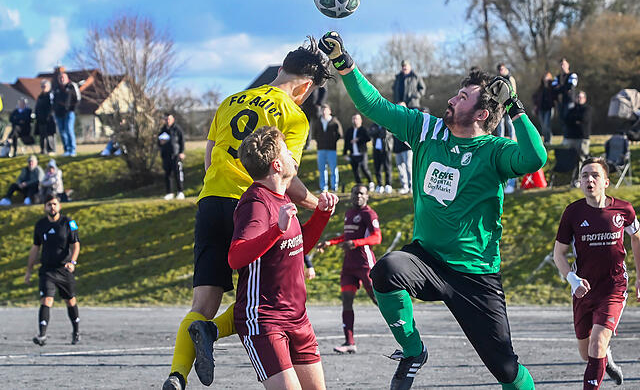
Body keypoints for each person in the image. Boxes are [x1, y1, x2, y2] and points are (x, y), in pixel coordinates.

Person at [318, 31, 547, 390]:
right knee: (387, 270)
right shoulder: (427, 130)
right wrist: (344, 63)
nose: (453, 99)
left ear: (482, 113)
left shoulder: (494, 150)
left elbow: (536, 157)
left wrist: (515, 106)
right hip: (426, 259)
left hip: (475, 274)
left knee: (505, 369)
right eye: (458, 93)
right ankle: (412, 351)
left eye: (463, 97)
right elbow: (375, 106)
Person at [161, 39, 331, 390]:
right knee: (258, 303)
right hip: (252, 207)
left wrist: (215, 191)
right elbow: (287, 174)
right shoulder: (293, 114)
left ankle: (177, 375)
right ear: (305, 86)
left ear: (281, 69)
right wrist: (315, 203)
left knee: (203, 303)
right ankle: (213, 334)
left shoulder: (231, 100)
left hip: (210, 201)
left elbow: (210, 154)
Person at [227, 126, 337, 389]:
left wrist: (321, 215)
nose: (293, 156)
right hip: (265, 321)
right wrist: (276, 229)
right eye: (288, 152)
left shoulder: (282, 196)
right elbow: (235, 256)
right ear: (277, 164)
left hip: (298, 318)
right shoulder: (256, 203)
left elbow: (298, 247)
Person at [553, 157, 640, 389]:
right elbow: (559, 254)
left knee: (597, 343)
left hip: (613, 287)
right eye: (584, 176)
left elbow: (637, 237)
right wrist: (573, 280)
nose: (589, 180)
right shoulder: (572, 213)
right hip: (583, 290)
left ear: (606, 182)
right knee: (587, 354)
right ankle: (607, 358)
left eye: (595, 175)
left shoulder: (623, 209)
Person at [318, 184, 381, 354]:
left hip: (364, 263)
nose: (357, 196)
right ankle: (349, 342)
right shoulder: (349, 213)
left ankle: (405, 329)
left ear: (367, 196)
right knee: (347, 301)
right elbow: (347, 236)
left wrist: (355, 243)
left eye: (361, 193)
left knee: (377, 299)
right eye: (355, 193)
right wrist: (330, 243)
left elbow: (377, 238)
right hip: (349, 266)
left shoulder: (369, 214)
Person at [24, 193, 82, 346]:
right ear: (45, 207)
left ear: (59, 206)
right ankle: (42, 335)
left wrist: (73, 262)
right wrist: (29, 270)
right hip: (47, 270)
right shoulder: (40, 225)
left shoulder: (69, 222)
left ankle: (76, 331)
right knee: (46, 299)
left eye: (55, 204)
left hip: (64, 269)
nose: (52, 207)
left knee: (70, 301)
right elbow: (35, 248)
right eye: (49, 204)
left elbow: (76, 244)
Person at [312, 103, 342, 192]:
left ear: (330, 111)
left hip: (331, 149)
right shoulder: (318, 121)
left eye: (325, 110)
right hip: (321, 149)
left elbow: (339, 134)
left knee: (333, 169)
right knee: (322, 169)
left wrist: (332, 142)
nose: (324, 112)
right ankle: (323, 188)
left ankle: (334, 187)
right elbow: (314, 134)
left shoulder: (335, 121)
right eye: (322, 110)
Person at [52, 67, 80, 157]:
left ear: (67, 78)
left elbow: (77, 99)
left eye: (63, 77)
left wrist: (72, 108)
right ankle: (66, 150)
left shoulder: (72, 86)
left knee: (69, 129)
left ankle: (72, 150)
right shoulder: (56, 89)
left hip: (69, 112)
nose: (61, 79)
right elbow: (53, 101)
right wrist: (55, 110)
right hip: (59, 114)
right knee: (62, 131)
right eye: (60, 78)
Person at [158, 113, 186, 200]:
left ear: (172, 119)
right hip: (166, 155)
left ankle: (180, 192)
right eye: (166, 119)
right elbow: (158, 142)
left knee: (177, 174)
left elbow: (182, 141)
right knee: (167, 174)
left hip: (176, 155)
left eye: (169, 119)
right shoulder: (163, 130)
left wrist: (181, 152)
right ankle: (169, 193)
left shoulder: (177, 129)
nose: (167, 121)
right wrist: (160, 143)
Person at [343, 114, 373, 189]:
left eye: (357, 119)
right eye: (354, 119)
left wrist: (358, 139)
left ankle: (371, 182)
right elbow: (346, 142)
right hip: (353, 154)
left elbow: (368, 138)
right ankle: (359, 186)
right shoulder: (349, 130)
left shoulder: (363, 129)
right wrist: (345, 153)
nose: (355, 120)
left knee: (364, 168)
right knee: (355, 171)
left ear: (360, 120)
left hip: (362, 153)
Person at [563, 91, 593, 161]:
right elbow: (566, 120)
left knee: (583, 159)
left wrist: (573, 120)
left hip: (582, 138)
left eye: (581, 97)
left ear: (584, 99)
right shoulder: (571, 110)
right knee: (569, 160)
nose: (579, 99)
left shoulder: (587, 109)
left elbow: (584, 118)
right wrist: (576, 121)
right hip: (570, 138)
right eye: (577, 97)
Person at [34, 80, 57, 155]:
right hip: (40, 119)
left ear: (49, 87)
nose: (43, 88)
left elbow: (52, 107)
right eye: (42, 86)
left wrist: (49, 116)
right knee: (42, 136)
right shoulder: (40, 96)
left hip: (49, 119)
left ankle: (51, 150)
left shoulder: (50, 95)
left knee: (49, 135)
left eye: (44, 86)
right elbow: (37, 107)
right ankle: (43, 150)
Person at [369, 123, 393, 193]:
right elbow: (370, 133)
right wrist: (377, 132)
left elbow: (385, 134)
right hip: (376, 149)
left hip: (386, 149)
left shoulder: (386, 123)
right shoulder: (374, 125)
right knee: (377, 167)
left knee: (387, 167)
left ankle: (388, 184)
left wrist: (376, 132)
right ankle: (380, 185)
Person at [533, 72, 555, 145]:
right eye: (544, 77)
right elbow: (535, 96)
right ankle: (545, 140)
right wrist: (535, 105)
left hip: (549, 108)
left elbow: (555, 96)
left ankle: (549, 140)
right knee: (543, 125)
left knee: (546, 124)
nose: (546, 79)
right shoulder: (540, 88)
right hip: (541, 109)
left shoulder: (552, 87)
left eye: (547, 77)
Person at [392, 125, 413, 195]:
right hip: (397, 148)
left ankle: (412, 187)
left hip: (407, 148)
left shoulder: (405, 118)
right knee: (400, 168)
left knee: (409, 167)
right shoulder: (393, 122)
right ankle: (405, 186)